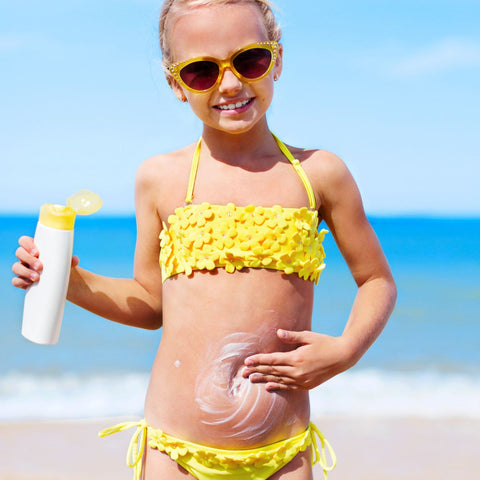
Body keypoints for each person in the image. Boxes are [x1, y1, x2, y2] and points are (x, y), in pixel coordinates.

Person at [12, 0, 397, 479]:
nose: (231, 84)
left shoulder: (319, 174)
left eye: (250, 59)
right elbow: (151, 303)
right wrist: (69, 281)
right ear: (176, 84)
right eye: (201, 71)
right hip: (175, 453)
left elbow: (376, 281)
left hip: (282, 453)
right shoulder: (161, 179)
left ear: (277, 60)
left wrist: (345, 351)